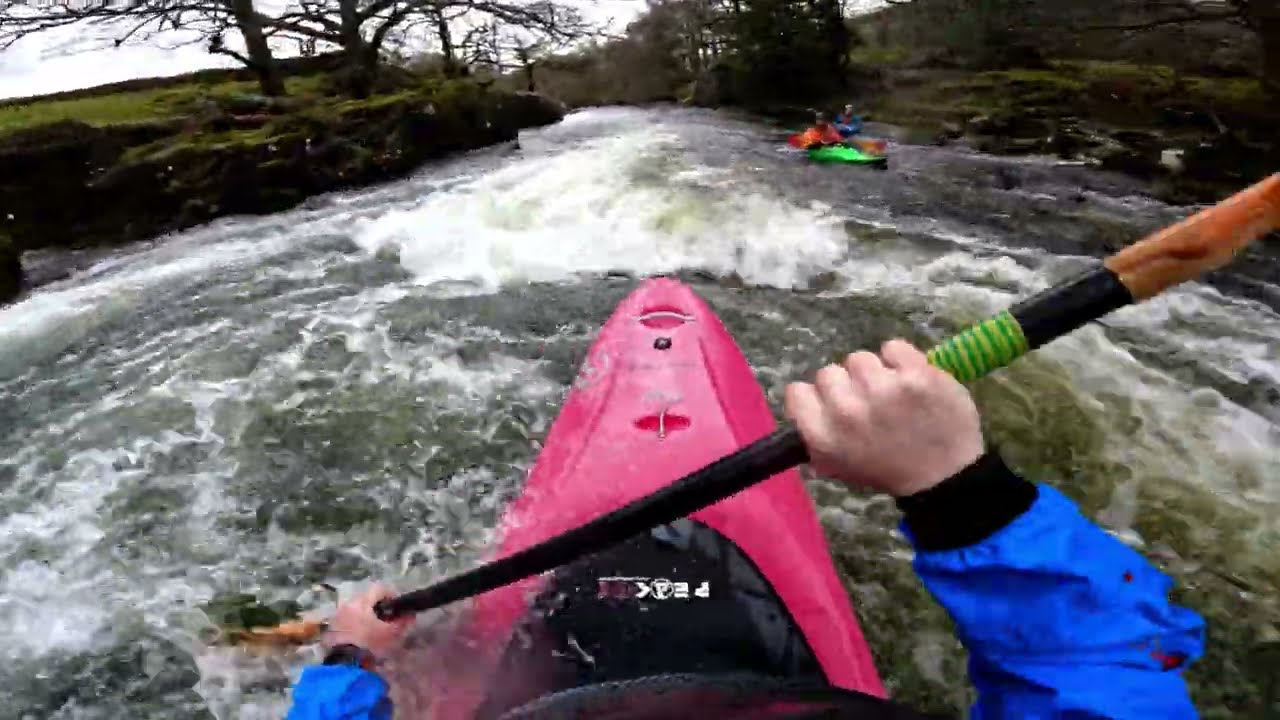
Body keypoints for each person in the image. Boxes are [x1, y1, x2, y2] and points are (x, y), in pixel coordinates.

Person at [285, 339, 1206, 719]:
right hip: (743, 670)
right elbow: (1109, 686)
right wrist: (959, 493)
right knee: (662, 582)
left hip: (572, 682)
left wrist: (349, 669)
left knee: (627, 587)